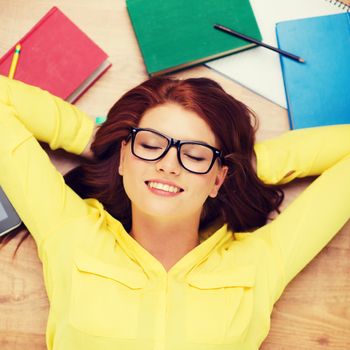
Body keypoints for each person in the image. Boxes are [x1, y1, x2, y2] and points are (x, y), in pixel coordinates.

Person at [0, 75, 349, 350]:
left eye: (195, 156)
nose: (168, 165)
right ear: (124, 158)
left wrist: (250, 164)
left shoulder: (259, 264)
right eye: (150, 145)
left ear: (217, 180)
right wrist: (94, 136)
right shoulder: (71, 234)